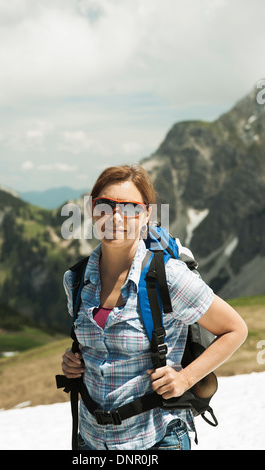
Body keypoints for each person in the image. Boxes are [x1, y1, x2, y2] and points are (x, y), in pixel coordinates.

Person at [61, 164, 247, 450]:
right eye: (105, 205)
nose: (116, 216)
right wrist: (75, 361)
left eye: (130, 208)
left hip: (157, 438)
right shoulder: (75, 279)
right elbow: (96, 346)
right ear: (92, 211)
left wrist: (185, 378)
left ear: (146, 214)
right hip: (91, 438)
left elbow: (236, 329)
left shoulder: (168, 277)